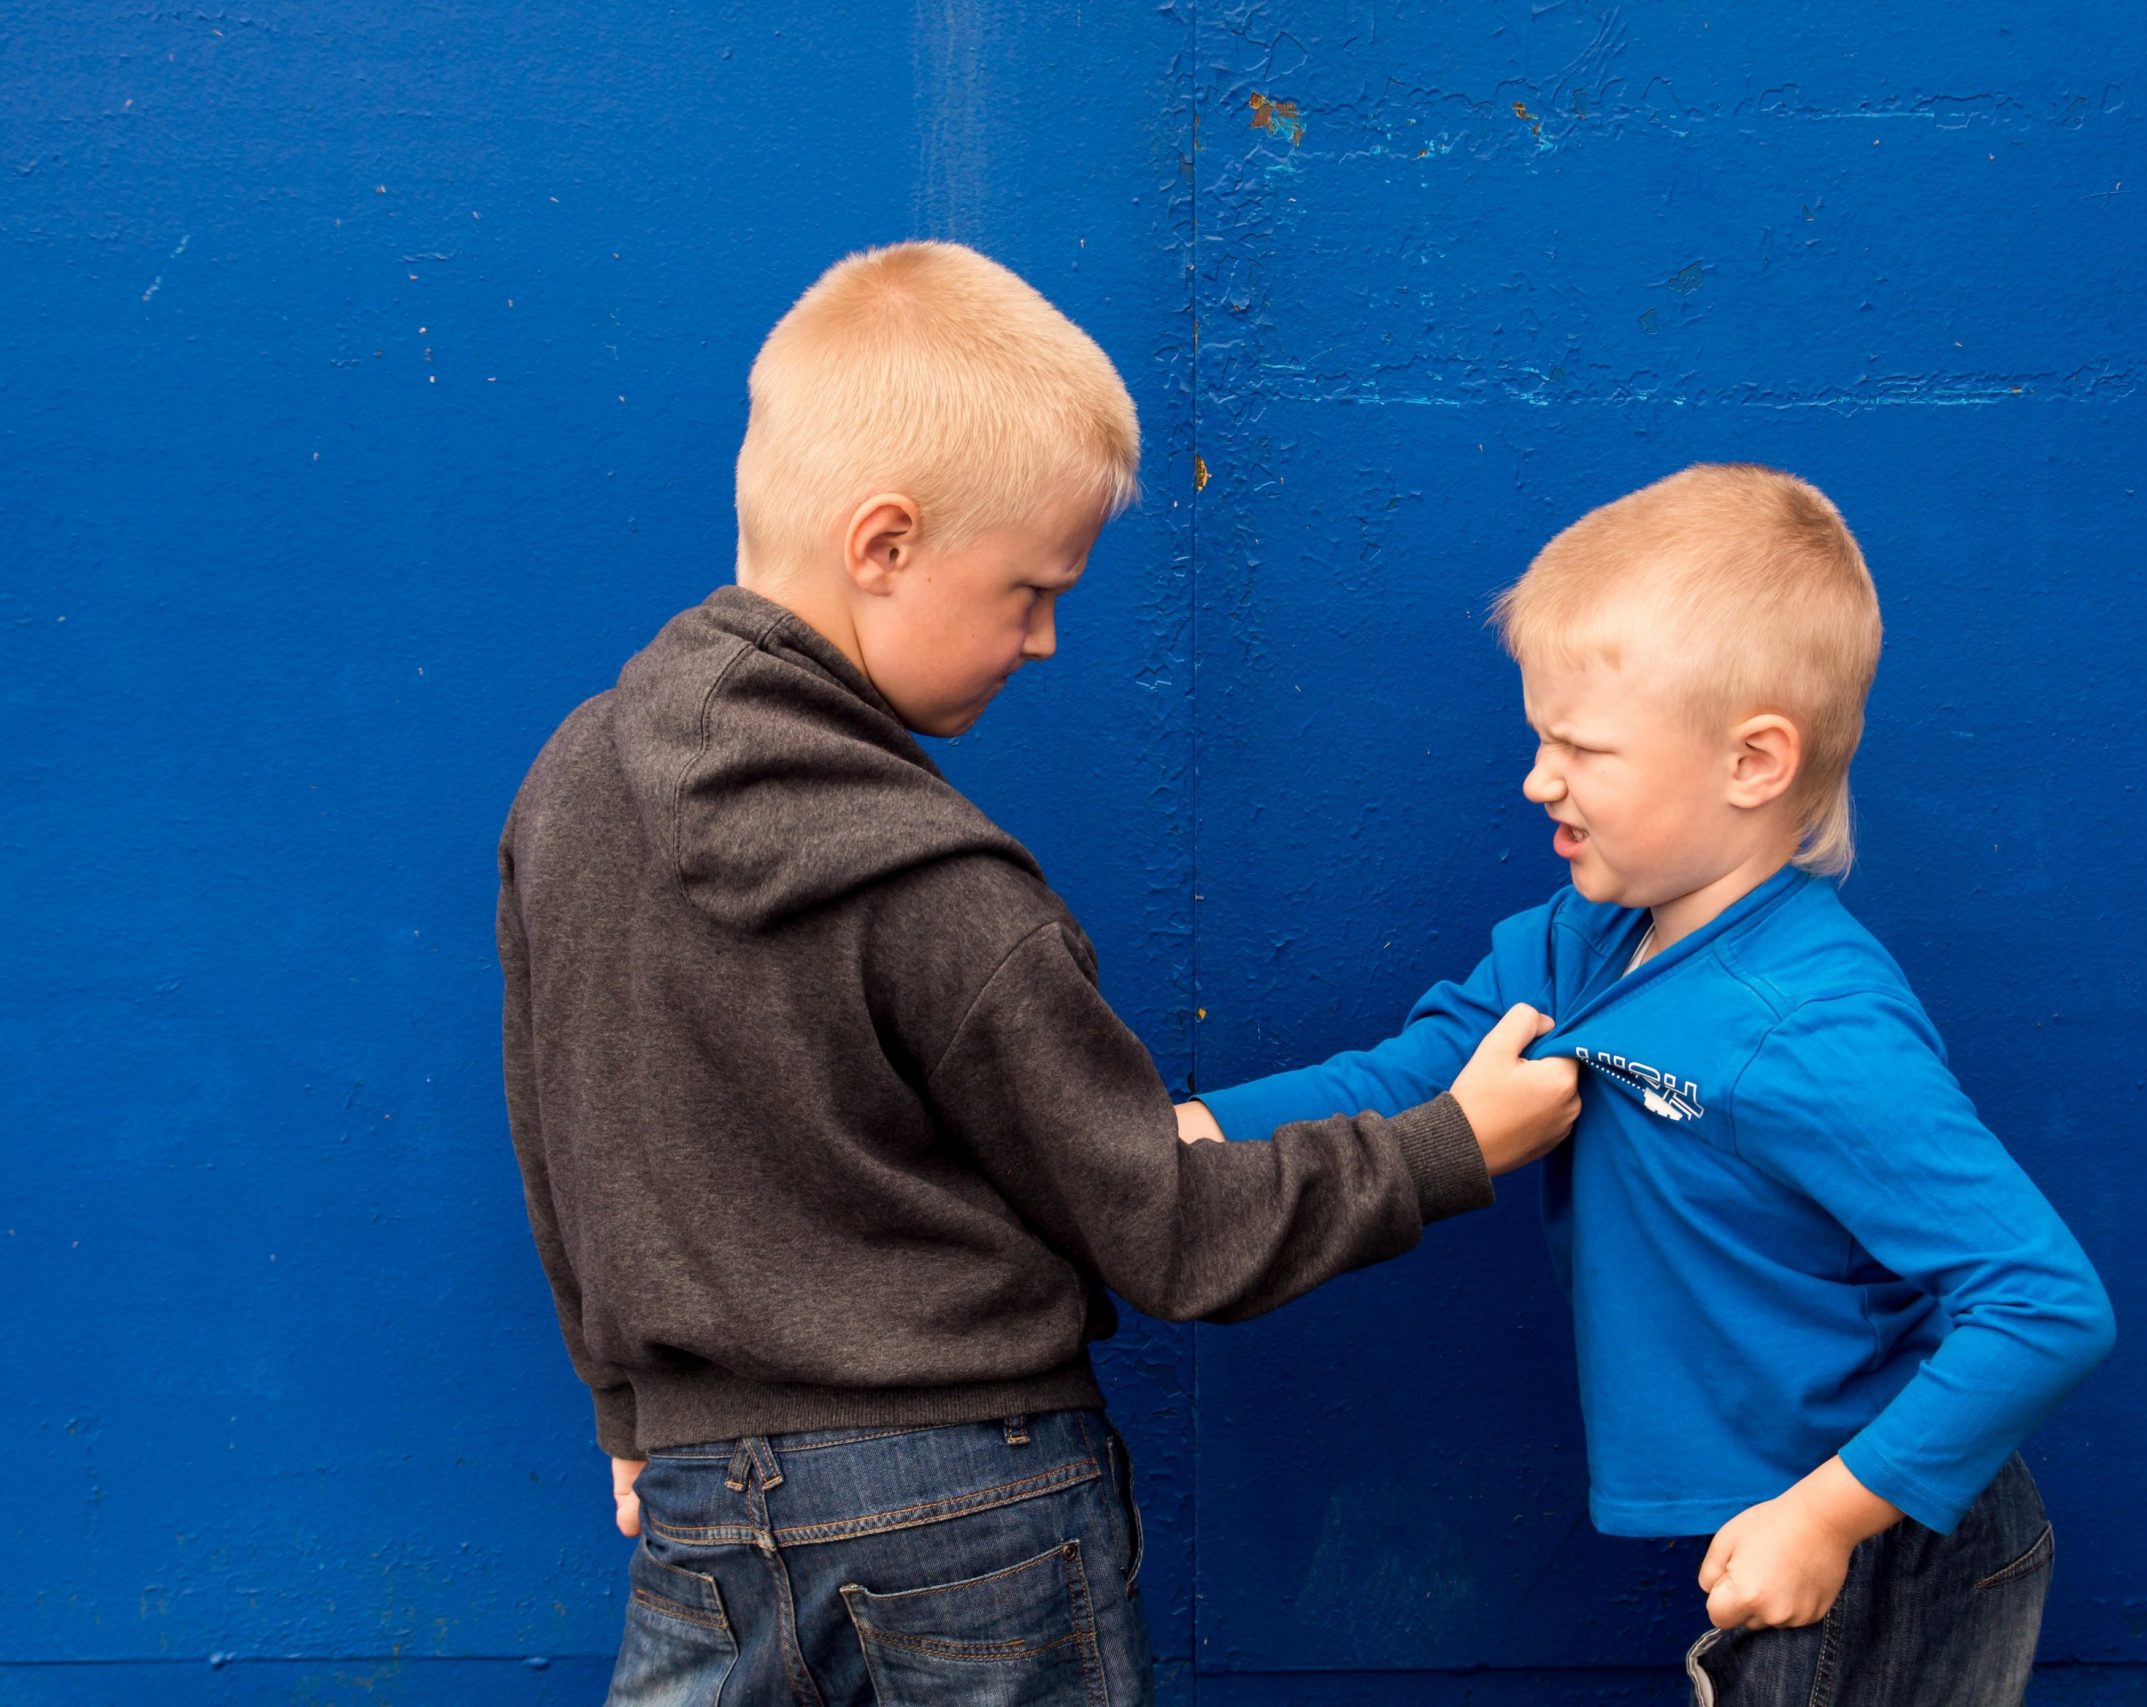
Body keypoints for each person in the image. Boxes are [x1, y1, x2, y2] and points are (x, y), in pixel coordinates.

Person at [496, 240, 1580, 1706]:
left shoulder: (567, 784)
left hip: (697, 1512)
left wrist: (629, 1397)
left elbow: (559, 1133)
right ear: (883, 544)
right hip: (975, 1511)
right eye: (1028, 589)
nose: (1048, 637)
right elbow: (1174, 1234)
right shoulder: (940, 881)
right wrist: (1456, 1143)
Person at [1181, 463, 2115, 1706]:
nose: (1537, 780)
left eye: (1580, 748)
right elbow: (1411, 1077)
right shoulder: (1581, 940)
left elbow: (2044, 1304)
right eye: (1537, 738)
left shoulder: (1808, 1025)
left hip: (1886, 1543)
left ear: (1753, 762)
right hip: (1789, 1529)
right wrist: (1180, 1133)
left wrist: (1827, 1520)